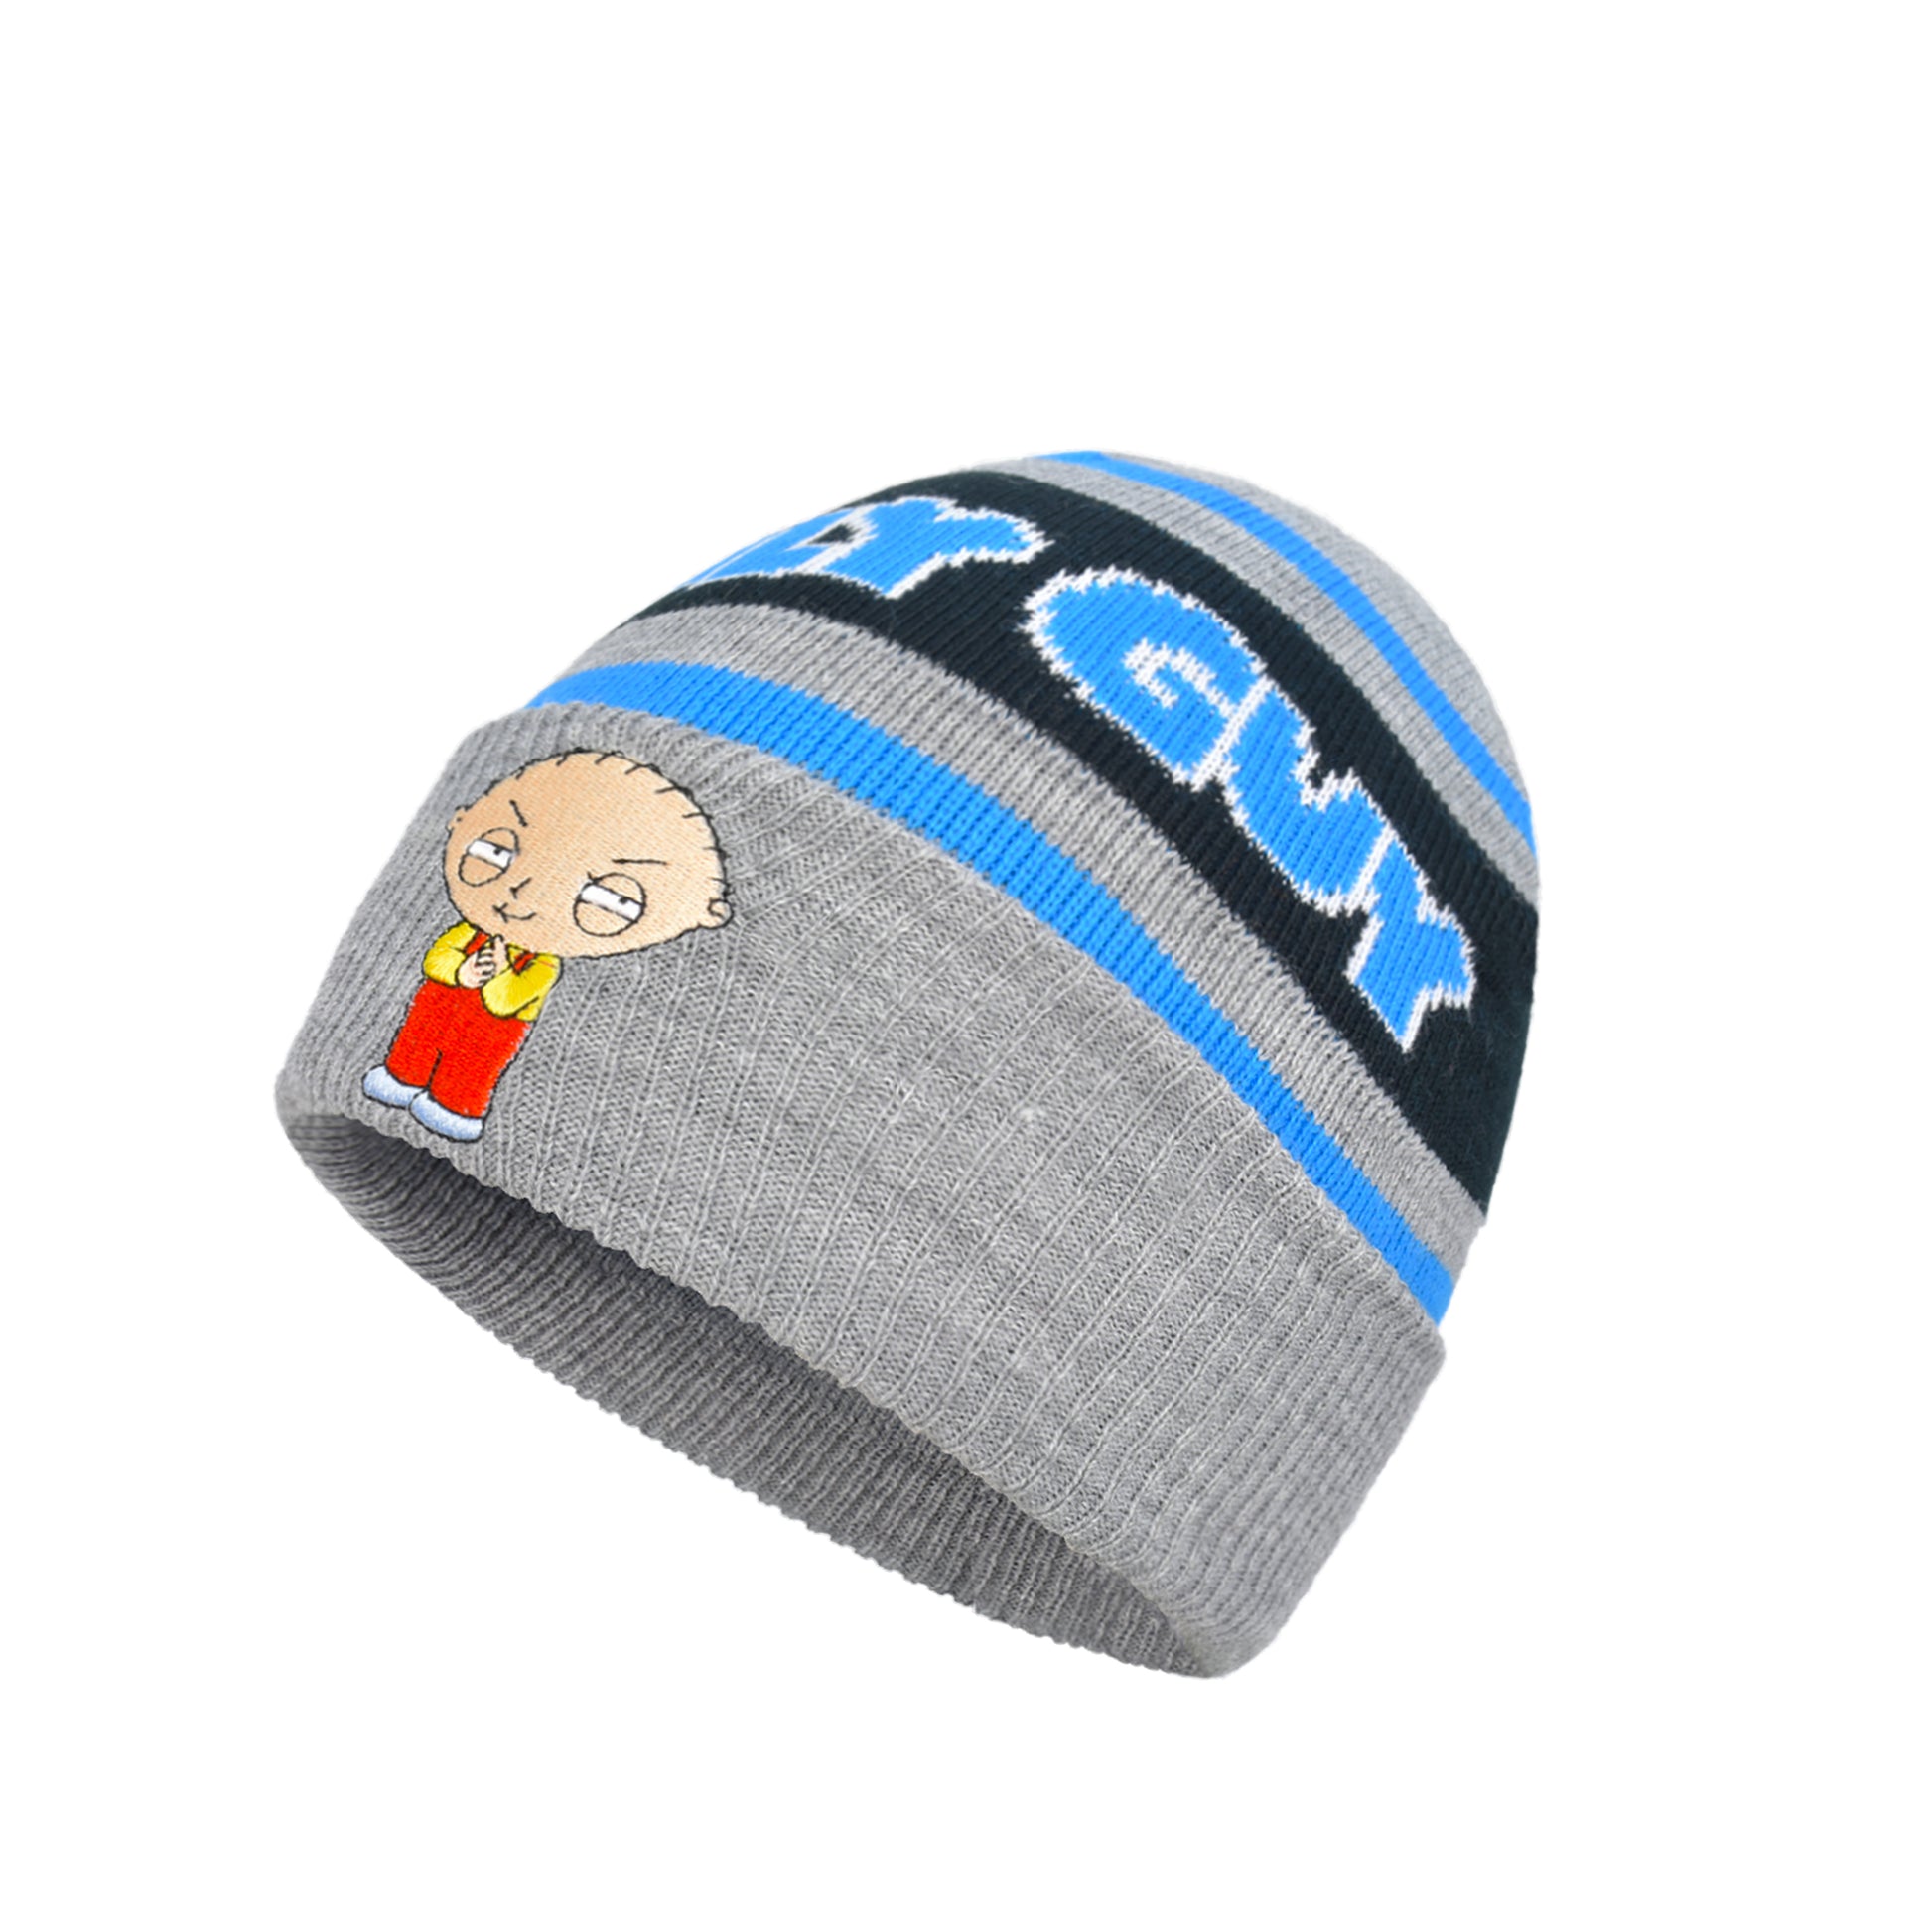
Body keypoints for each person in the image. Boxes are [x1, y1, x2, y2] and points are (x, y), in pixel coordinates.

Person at [362, 749, 731, 1141]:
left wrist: (496, 974)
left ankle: (452, 1107)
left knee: (469, 1073)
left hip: (492, 1029)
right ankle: (401, 1077)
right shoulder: (472, 932)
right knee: (416, 1044)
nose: (524, 894)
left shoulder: (543, 965)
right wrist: (459, 970)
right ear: (461, 821)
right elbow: (438, 957)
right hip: (438, 1005)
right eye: (496, 852)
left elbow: (510, 1000)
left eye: (608, 900)